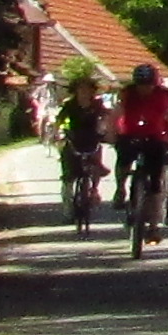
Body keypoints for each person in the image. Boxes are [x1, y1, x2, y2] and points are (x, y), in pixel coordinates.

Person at [110, 53, 168, 234]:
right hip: (130, 135)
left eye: (148, 84)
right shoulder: (127, 95)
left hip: (154, 138)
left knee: (156, 183)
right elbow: (114, 116)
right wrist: (111, 134)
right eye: (141, 85)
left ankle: (154, 224)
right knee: (123, 159)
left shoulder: (162, 97)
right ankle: (120, 188)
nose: (144, 88)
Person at [53, 68, 109, 222]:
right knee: (68, 175)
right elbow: (59, 120)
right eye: (81, 88)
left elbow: (105, 117)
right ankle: (68, 208)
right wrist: (57, 133)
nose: (84, 92)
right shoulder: (69, 105)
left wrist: (104, 128)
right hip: (74, 138)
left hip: (92, 138)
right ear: (75, 90)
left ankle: (94, 190)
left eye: (87, 89)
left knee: (96, 164)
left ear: (92, 91)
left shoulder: (97, 105)